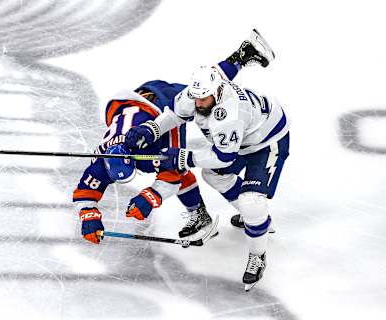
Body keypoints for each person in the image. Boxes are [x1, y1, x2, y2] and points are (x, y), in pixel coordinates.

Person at [73, 29, 275, 251]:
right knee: (205, 88)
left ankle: (199, 213)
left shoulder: (149, 149)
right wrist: (88, 214)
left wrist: (151, 196)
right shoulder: (101, 159)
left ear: (135, 159)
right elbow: (85, 190)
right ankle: (242, 55)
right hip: (143, 97)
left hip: (161, 106)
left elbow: (175, 173)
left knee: (201, 101)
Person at [124, 29, 287, 291]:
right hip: (243, 136)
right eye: (196, 97)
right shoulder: (200, 92)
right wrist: (151, 130)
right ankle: (254, 219)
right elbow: (175, 115)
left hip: (268, 141)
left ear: (218, 93)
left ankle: (258, 252)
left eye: (205, 98)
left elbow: (223, 157)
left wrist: (183, 157)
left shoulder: (227, 116)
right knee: (212, 176)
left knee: (252, 202)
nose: (199, 103)